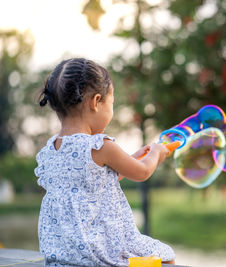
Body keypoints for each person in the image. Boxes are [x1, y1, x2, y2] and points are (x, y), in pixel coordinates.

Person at [34, 58, 175, 266]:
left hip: (63, 255)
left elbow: (94, 183)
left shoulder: (50, 151)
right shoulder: (100, 145)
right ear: (96, 102)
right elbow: (143, 172)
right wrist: (157, 152)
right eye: (112, 103)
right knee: (166, 256)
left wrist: (131, 158)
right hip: (100, 251)